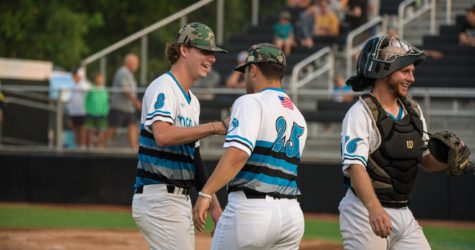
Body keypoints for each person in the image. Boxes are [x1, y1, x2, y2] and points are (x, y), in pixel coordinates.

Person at [338, 35, 468, 249]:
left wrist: (451, 162)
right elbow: (355, 167)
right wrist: (374, 208)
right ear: (384, 71)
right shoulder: (361, 113)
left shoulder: (413, 111)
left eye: (412, 72)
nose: (411, 78)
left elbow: (425, 160)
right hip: (364, 211)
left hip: (403, 212)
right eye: (405, 71)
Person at [193, 43, 308, 250]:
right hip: (291, 215)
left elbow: (238, 154)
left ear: (253, 70)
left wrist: (206, 193)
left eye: (245, 71)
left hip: (251, 211)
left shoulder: (250, 102)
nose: (245, 77)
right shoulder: (298, 116)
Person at [132, 22, 228, 250]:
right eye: (205, 51)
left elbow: (193, 158)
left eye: (213, 53)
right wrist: (215, 127)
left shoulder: (192, 101)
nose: (212, 58)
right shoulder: (164, 87)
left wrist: (213, 204)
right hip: (160, 197)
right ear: (184, 50)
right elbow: (162, 135)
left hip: (176, 199)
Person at [108, 53, 141, 151]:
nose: (137, 65)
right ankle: (99, 146)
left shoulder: (129, 73)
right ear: (129, 62)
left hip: (128, 108)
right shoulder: (123, 72)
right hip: (119, 107)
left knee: (132, 126)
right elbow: (125, 88)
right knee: (112, 128)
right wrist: (135, 101)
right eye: (136, 62)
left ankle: (135, 149)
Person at [85, 72, 109, 149]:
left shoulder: (105, 90)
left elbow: (106, 102)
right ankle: (90, 146)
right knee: (90, 130)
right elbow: (87, 100)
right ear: (95, 80)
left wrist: (105, 111)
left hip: (102, 114)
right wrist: (88, 110)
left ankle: (100, 146)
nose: (100, 80)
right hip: (91, 113)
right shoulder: (91, 89)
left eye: (102, 79)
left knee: (102, 131)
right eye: (99, 79)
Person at [67, 68, 88, 149]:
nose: (73, 77)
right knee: (75, 129)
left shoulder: (84, 85)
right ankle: (77, 145)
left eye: (75, 75)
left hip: (82, 111)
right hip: (74, 112)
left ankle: (83, 145)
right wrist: (70, 112)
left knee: (83, 129)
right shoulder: (72, 86)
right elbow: (71, 100)